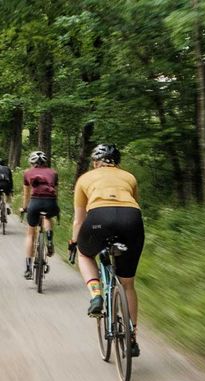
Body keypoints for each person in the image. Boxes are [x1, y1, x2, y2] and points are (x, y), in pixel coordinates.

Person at [71, 143, 144, 357]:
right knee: (128, 283)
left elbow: (79, 219)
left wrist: (74, 241)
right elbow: (132, 204)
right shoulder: (129, 177)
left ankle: (96, 295)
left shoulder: (85, 178)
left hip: (98, 218)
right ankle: (131, 338)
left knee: (84, 254)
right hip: (131, 220)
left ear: (95, 163)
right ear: (118, 163)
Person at [21, 151, 59, 278]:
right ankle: (49, 239)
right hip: (50, 202)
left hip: (34, 203)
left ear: (31, 162)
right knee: (47, 217)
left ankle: (28, 268)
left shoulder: (27, 173)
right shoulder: (53, 173)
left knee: (30, 234)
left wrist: (24, 207)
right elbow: (56, 192)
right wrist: (55, 205)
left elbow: (26, 194)